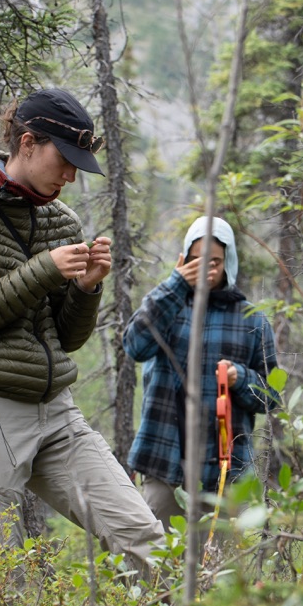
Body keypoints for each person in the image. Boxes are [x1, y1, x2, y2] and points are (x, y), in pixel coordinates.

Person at [0, 87, 164, 574]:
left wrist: (86, 288)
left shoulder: (61, 221)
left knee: (146, 540)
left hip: (56, 411)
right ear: (28, 143)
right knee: (5, 581)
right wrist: (45, 270)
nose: (71, 176)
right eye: (66, 160)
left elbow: (66, 338)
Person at [123, 215, 280, 525]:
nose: (206, 268)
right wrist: (175, 284)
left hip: (226, 472)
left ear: (228, 261)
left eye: (215, 261)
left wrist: (240, 378)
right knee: (157, 553)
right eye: (196, 260)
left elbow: (271, 396)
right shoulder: (167, 304)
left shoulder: (252, 320)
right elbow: (134, 346)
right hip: (163, 462)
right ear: (184, 259)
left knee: (223, 556)